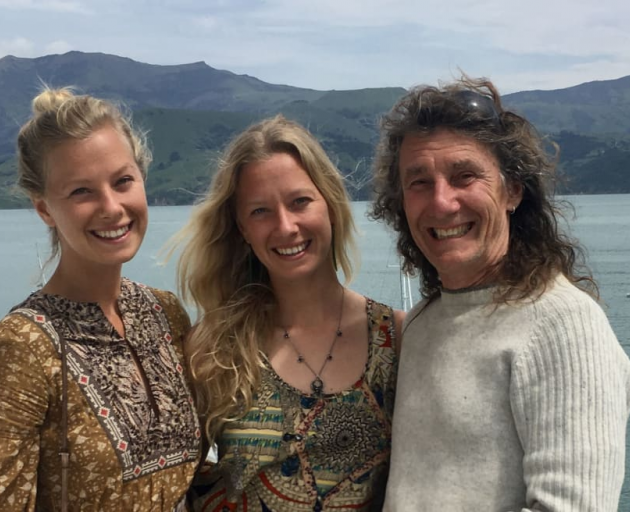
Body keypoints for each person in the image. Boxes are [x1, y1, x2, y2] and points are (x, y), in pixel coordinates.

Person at [370, 77, 630, 511]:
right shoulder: (421, 323)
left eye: (464, 175)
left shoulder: (564, 325)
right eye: (419, 182)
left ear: (512, 190)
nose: (441, 202)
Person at [176, 115, 404, 511]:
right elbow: (170, 481)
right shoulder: (214, 349)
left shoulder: (397, 338)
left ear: (330, 204)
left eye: (300, 202)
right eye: (260, 211)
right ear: (242, 229)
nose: (285, 227)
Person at [0, 87, 201, 511]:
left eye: (122, 181)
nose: (112, 207)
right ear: (45, 210)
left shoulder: (165, 314)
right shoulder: (25, 346)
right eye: (81, 192)